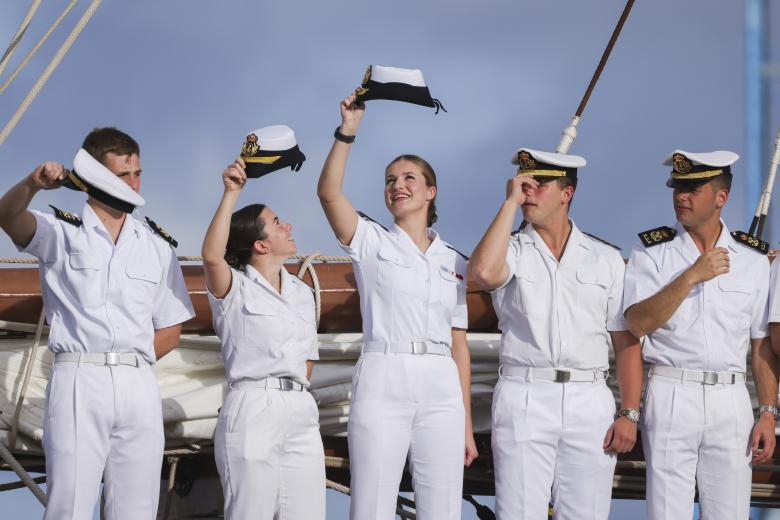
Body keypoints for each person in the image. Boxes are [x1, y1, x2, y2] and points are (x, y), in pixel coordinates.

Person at [0, 127, 195, 519]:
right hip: (80, 376)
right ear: (95, 176)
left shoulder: (156, 244)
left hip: (137, 381)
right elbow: (6, 217)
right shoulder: (60, 231)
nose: (135, 183)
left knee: (137, 509)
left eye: (138, 173)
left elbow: (171, 330)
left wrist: (128, 361)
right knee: (69, 505)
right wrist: (33, 185)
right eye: (124, 175)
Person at [317, 90, 478, 520]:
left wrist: (464, 420)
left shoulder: (455, 261)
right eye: (390, 180)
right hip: (384, 375)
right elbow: (330, 194)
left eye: (408, 178)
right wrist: (346, 133)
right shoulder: (371, 242)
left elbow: (457, 343)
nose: (397, 186)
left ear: (430, 192)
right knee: (371, 504)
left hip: (441, 385)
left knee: (442, 508)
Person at [470, 148, 642, 519]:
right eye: (524, 182)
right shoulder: (510, 250)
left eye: (540, 184)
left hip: (589, 398)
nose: (529, 189)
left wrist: (629, 412)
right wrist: (509, 204)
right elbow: (482, 273)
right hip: (524, 395)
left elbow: (625, 340)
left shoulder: (604, 258)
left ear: (567, 193)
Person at [624, 150, 777, 519]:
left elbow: (761, 345)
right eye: (678, 187)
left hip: (731, 397)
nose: (681, 196)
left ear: (721, 198)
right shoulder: (652, 251)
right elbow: (637, 323)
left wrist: (769, 413)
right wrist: (691, 276)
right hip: (672, 390)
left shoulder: (752, 259)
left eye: (693, 189)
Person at [202, 130, 324, 520]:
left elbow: (307, 360)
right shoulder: (234, 289)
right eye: (276, 222)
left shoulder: (303, 293)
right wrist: (231, 194)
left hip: (301, 409)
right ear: (260, 244)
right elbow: (211, 258)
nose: (287, 225)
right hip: (253, 407)